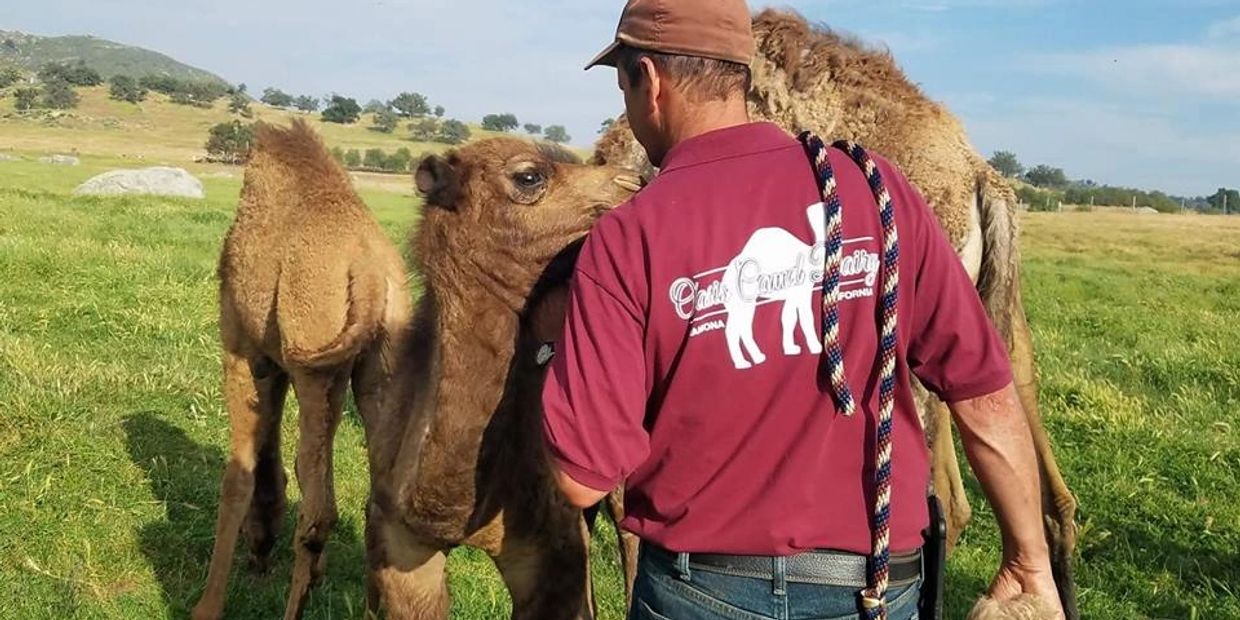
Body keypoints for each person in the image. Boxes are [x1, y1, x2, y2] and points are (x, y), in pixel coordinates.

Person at [541, 1, 1066, 618]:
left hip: (700, 589)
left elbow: (582, 479)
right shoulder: (877, 190)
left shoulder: (629, 237)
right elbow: (984, 394)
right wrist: (1029, 562)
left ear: (648, 81)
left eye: (623, 83)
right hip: (875, 584)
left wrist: (551, 348)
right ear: (740, 72)